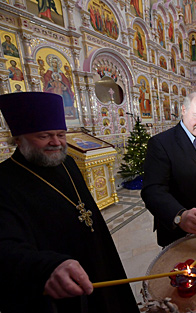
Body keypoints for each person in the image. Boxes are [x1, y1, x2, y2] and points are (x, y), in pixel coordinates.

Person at [0, 92, 139, 313]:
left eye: (61, 134)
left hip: (98, 258)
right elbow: (5, 246)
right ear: (19, 139)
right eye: (44, 136)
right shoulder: (4, 181)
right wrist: (44, 267)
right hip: (60, 284)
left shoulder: (69, 163)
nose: (56, 142)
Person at [141, 92, 196, 247]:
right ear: (183, 110)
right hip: (177, 231)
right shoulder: (161, 143)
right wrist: (179, 216)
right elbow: (153, 190)